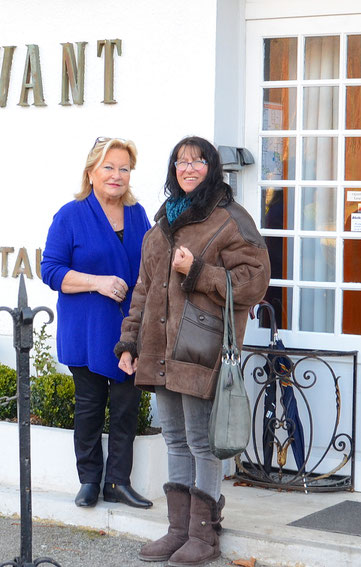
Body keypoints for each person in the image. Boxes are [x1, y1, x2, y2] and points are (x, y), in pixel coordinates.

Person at [115, 136, 270, 565]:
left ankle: (204, 536)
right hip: (160, 349)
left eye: (198, 161)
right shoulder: (163, 221)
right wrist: (129, 341)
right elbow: (144, 290)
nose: (188, 168)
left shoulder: (230, 219)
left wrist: (199, 271)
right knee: (176, 440)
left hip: (201, 349)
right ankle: (178, 530)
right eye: (180, 162)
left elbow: (254, 282)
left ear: (212, 168)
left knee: (201, 443)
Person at [41, 137, 153, 509]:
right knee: (89, 405)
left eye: (124, 168)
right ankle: (89, 480)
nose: (116, 175)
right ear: (91, 172)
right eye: (109, 167)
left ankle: (118, 483)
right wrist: (97, 282)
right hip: (87, 329)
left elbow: (150, 269)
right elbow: (51, 270)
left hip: (129, 330)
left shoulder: (138, 214)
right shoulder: (70, 215)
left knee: (125, 408)